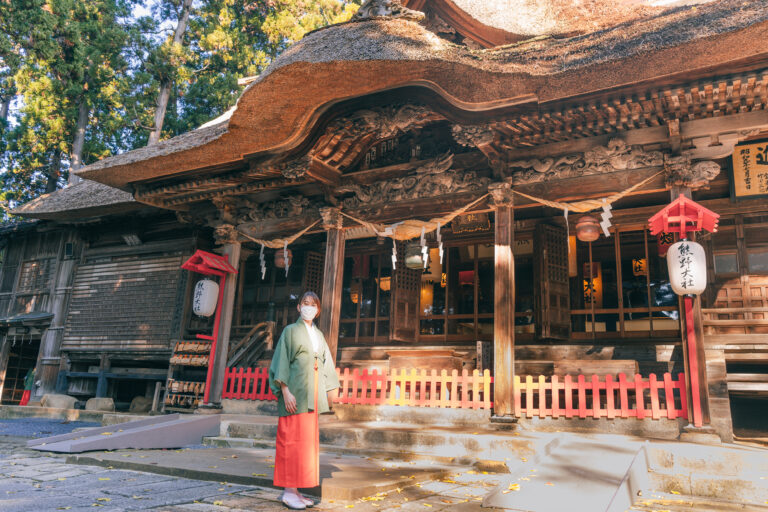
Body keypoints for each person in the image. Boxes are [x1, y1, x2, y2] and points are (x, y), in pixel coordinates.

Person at [269, 291, 340, 509]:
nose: (309, 307)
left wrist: (331, 388)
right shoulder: (290, 331)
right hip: (294, 393)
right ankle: (288, 490)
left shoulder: (318, 335)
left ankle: (296, 490)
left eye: (313, 305)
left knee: (305, 445)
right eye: (305, 303)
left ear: (318, 311)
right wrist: (285, 390)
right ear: (299, 307)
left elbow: (326, 362)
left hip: (311, 396)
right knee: (290, 442)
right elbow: (281, 360)